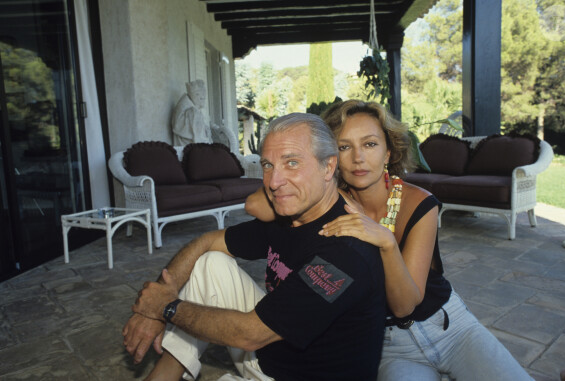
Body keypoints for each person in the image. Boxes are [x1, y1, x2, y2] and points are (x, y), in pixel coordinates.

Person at [246, 100, 533, 381]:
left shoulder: (419, 202)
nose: (358, 158)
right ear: (330, 160)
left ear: (387, 152)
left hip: (450, 328)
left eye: (370, 144)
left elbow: (405, 303)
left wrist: (385, 241)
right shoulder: (330, 201)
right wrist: (302, 180)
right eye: (344, 147)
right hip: (390, 347)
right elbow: (255, 205)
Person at [123, 112, 387, 381]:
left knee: (244, 325)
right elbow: (207, 241)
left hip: (297, 370)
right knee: (210, 262)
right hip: (267, 356)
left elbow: (250, 334)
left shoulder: (346, 250)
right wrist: (158, 300)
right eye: (268, 165)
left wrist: (167, 307)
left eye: (292, 163)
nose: (274, 182)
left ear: (328, 167)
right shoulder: (290, 215)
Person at [171, 80, 213, 146]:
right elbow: (199, 140)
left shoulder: (191, 109)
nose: (204, 98)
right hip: (190, 149)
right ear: (195, 95)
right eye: (201, 97)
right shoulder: (192, 113)